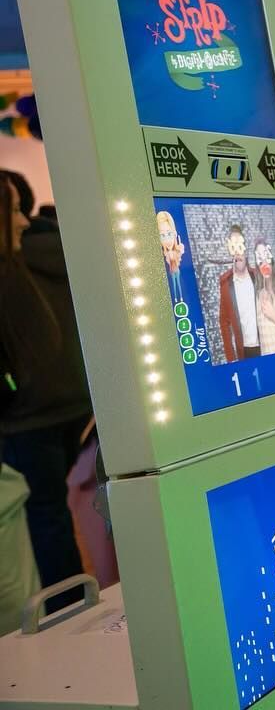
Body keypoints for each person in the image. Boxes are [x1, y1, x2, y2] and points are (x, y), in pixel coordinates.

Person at [0, 174, 89, 612]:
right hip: (72, 402)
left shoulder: (14, 264)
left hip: (27, 415)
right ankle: (74, 607)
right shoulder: (65, 248)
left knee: (40, 518)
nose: (17, 221)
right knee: (53, 514)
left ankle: (65, 614)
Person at [217, 224, 261, 362]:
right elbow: (224, 322)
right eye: (233, 246)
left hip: (267, 346)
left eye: (240, 245)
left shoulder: (259, 277)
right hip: (244, 353)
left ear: (246, 249)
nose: (237, 252)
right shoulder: (225, 284)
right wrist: (231, 359)